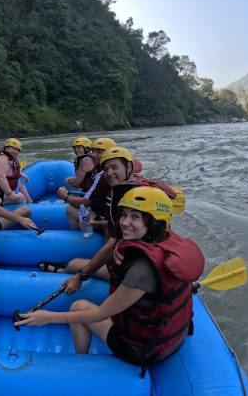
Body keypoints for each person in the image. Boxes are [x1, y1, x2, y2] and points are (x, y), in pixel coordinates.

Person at [16, 186, 205, 376]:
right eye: (124, 215)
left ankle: (80, 363)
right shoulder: (164, 241)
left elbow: (100, 313)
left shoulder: (142, 271)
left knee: (78, 306)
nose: (124, 222)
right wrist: (81, 275)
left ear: (154, 222)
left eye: (135, 217)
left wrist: (48, 317)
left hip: (143, 351)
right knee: (81, 267)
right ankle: (62, 270)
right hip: (172, 337)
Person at [41, 146, 135, 276]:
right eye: (106, 169)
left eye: (114, 167)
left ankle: (63, 270)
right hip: (124, 253)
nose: (109, 173)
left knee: (74, 264)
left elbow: (114, 240)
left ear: (129, 167)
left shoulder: (133, 197)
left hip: (130, 266)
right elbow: (116, 226)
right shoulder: (120, 191)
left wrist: (81, 276)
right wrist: (97, 224)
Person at [58, 137, 117, 230]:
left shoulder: (101, 175)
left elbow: (84, 202)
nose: (93, 155)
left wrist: (65, 197)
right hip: (104, 212)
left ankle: (80, 236)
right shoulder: (105, 171)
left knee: (69, 209)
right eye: (93, 151)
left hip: (106, 219)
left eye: (99, 152)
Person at [0, 138, 32, 204]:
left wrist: (20, 174)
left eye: (17, 150)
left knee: (20, 183)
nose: (15, 152)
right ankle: (25, 212)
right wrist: (10, 194)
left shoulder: (9, 158)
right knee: (20, 197)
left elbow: (8, 172)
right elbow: (0, 177)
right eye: (13, 149)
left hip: (6, 189)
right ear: (6, 147)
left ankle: (30, 203)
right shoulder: (3, 158)